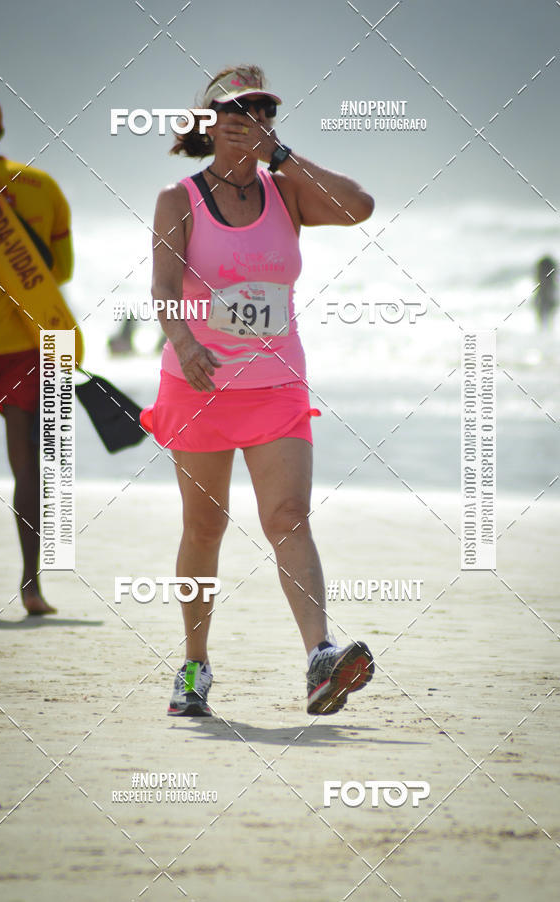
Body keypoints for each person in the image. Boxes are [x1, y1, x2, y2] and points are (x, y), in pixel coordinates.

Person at [145, 65, 375, 716]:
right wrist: (186, 344)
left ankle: (319, 659)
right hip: (198, 383)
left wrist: (287, 159)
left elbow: (360, 207)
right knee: (204, 527)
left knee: (288, 518)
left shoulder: (288, 192)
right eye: (239, 112)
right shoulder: (179, 198)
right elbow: (163, 289)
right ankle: (193, 669)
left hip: (276, 382)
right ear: (211, 124)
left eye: (265, 112)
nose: (254, 122)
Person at [0, 91, 73, 614]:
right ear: (0, 129)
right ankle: (31, 587)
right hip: (28, 346)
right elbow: (60, 272)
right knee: (28, 467)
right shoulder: (41, 185)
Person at [534, 255, 559, 329]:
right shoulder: (550, 288)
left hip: (545, 295)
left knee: (546, 320)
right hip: (545, 295)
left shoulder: (546, 289)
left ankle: (544, 332)